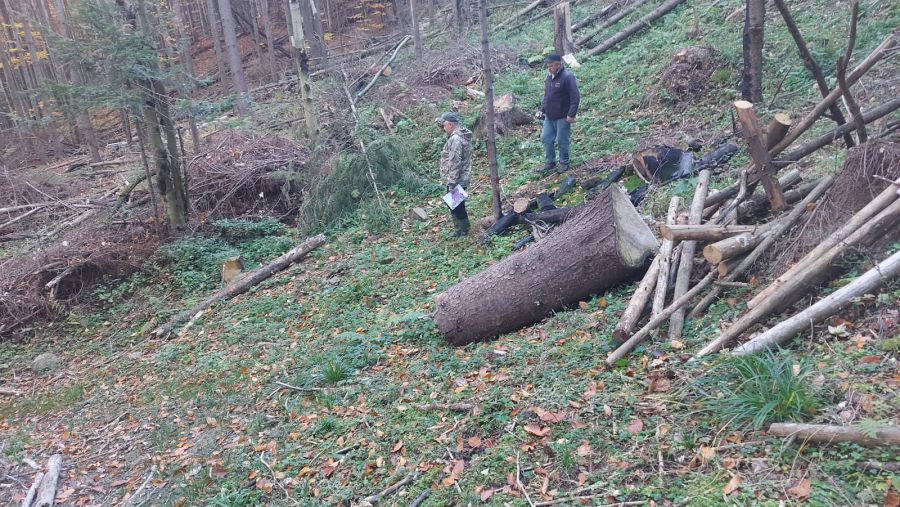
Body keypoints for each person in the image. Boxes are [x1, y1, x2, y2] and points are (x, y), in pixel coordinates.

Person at [537, 53, 580, 173]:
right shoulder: (549, 77)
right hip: (549, 116)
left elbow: (575, 97)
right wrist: (542, 109)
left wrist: (571, 114)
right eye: (548, 66)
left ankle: (564, 163)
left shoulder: (567, 77)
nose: (549, 68)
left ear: (558, 64)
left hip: (563, 116)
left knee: (562, 140)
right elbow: (547, 96)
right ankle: (550, 162)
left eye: (551, 66)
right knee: (546, 138)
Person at [435, 112, 473, 237]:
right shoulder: (459, 137)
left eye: (444, 125)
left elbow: (455, 162)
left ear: (450, 124)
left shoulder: (456, 139)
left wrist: (452, 182)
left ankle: (464, 230)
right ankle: (458, 229)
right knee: (452, 203)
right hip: (457, 177)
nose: (443, 128)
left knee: (458, 205)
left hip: (457, 178)